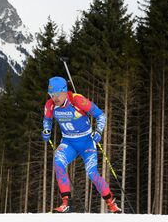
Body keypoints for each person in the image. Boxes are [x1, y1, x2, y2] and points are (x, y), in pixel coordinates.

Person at [42, 76, 121, 213]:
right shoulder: (50, 105)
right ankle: (66, 203)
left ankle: (111, 204)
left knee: (91, 173)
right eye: (51, 94)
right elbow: (47, 120)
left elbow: (101, 115)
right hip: (68, 142)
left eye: (56, 95)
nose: (54, 98)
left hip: (86, 142)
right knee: (58, 161)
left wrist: (99, 132)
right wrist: (46, 130)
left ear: (64, 91)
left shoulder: (77, 99)